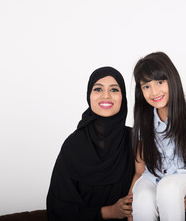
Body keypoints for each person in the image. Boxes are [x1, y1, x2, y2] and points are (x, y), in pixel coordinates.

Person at [130, 52, 186, 221]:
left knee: (167, 188)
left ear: (172, 79)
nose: (154, 91)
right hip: (153, 177)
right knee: (141, 198)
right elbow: (140, 171)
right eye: (146, 86)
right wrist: (130, 205)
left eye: (160, 82)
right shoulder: (143, 122)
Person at [47, 66, 135, 221]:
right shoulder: (73, 146)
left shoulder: (135, 140)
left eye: (114, 90)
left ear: (123, 96)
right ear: (89, 96)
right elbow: (58, 208)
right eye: (98, 89)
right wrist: (109, 212)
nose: (106, 96)